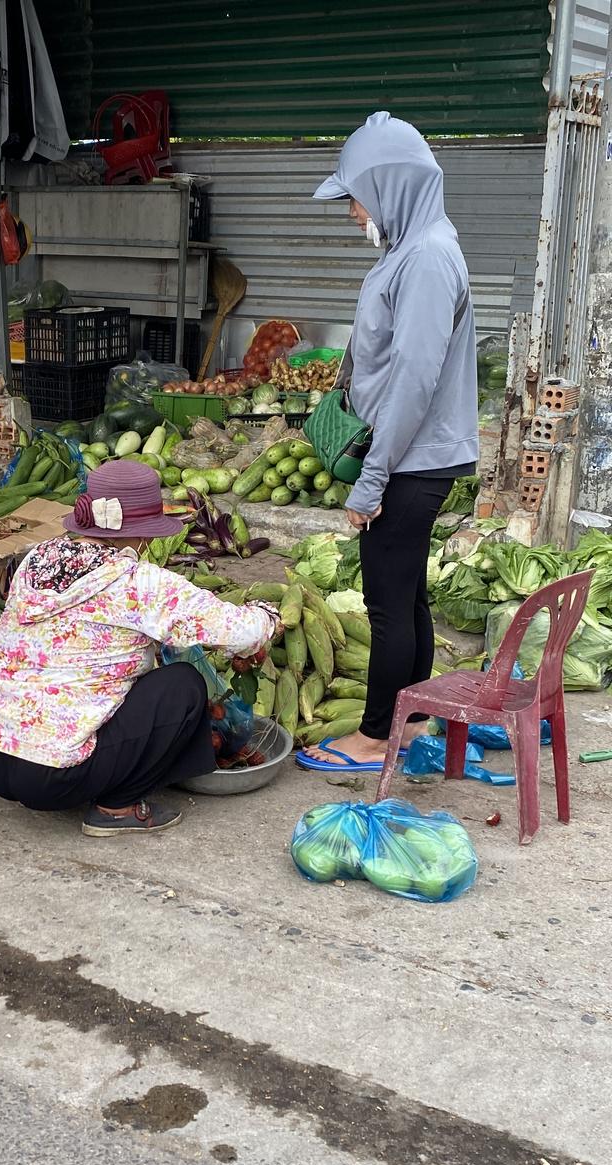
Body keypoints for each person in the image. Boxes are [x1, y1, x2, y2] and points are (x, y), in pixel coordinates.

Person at [0, 460, 281, 836]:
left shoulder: (36, 557)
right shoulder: (138, 581)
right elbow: (240, 632)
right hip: (50, 774)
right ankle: (117, 809)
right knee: (182, 685)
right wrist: (268, 616)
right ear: (143, 534)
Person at [300, 112, 478, 773]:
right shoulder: (414, 248)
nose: (351, 211)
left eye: (355, 196)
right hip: (416, 456)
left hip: (411, 460)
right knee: (406, 595)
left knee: (385, 602)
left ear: (392, 187)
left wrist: (372, 480)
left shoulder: (428, 257)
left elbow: (413, 377)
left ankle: (376, 737)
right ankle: (416, 712)